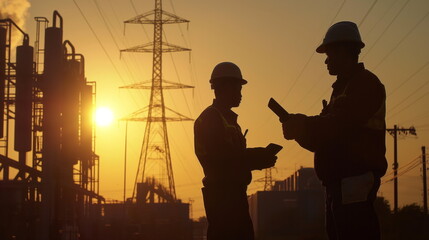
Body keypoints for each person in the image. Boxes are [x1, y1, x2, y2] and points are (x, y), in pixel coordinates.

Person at [281, 21, 387, 240]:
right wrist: (299, 131)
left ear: (345, 51)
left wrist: (303, 125)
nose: (326, 61)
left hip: (354, 180)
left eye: (329, 54)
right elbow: (323, 137)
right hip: (340, 183)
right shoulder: (342, 89)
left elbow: (338, 125)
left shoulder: (365, 84)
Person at [194, 62, 277, 240]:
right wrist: (259, 157)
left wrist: (258, 157)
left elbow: (235, 157)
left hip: (234, 195)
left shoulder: (229, 121)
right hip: (222, 197)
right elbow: (224, 159)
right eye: (238, 89)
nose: (241, 95)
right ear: (224, 87)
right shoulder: (210, 119)